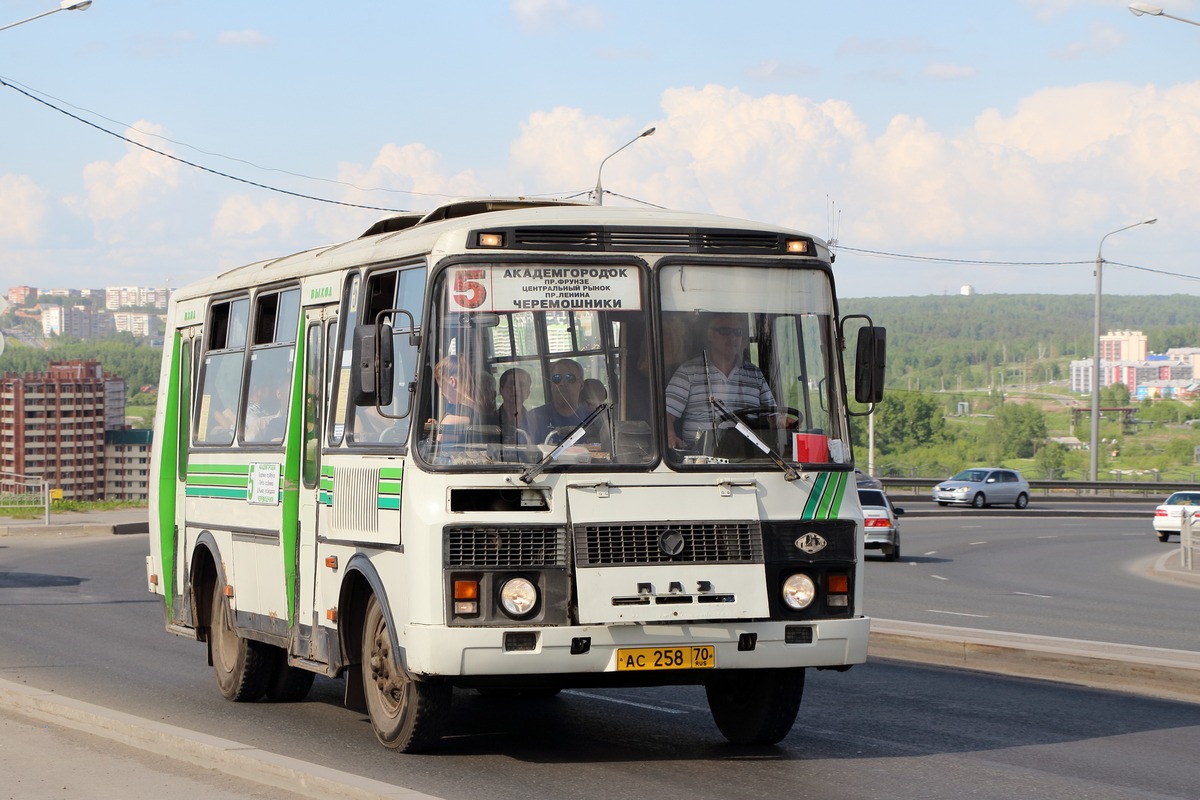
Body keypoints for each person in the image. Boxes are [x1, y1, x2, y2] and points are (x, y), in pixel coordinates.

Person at [664, 312, 779, 450]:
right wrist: (670, 434)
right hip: (701, 461)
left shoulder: (755, 374)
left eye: (737, 332)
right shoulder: (688, 372)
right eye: (725, 331)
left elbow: (772, 416)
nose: (732, 338)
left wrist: (782, 421)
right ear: (709, 334)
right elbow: (666, 414)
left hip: (749, 459)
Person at [527, 358, 590, 443]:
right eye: (557, 378)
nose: (562, 383)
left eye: (569, 378)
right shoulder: (534, 418)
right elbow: (525, 453)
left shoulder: (592, 419)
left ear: (581, 385)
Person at [497, 366, 533, 443]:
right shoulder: (489, 421)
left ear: (528, 393)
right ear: (501, 390)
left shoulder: (535, 423)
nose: (516, 389)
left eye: (522, 385)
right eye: (511, 384)